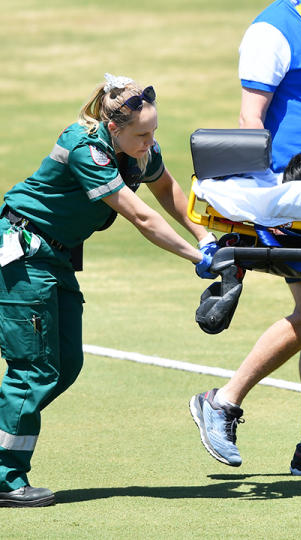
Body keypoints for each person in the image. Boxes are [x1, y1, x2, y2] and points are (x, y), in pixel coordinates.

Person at [0, 74, 217, 508]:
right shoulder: (88, 149)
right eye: (142, 135)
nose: (150, 143)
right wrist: (199, 260)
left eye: (154, 132)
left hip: (54, 258)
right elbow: (142, 217)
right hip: (24, 254)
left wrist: (206, 237)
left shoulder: (136, 149)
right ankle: (6, 478)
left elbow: (168, 191)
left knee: (65, 364)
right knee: (35, 370)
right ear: (114, 127)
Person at [189, 0, 301, 475]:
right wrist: (272, 199)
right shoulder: (272, 30)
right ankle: (221, 401)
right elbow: (251, 119)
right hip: (295, 198)